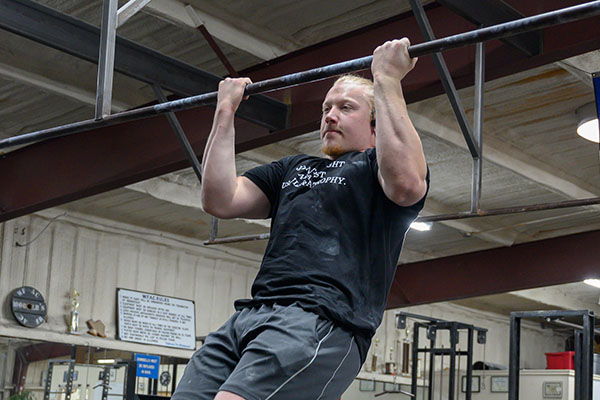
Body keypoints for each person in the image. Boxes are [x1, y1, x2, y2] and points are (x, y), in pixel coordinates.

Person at [172, 38, 429, 400]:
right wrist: (225, 112)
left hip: (322, 321)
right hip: (252, 315)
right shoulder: (293, 167)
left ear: (375, 125)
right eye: (326, 108)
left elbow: (406, 184)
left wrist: (387, 79)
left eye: (346, 107)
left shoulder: (378, 170)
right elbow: (219, 198)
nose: (330, 115)